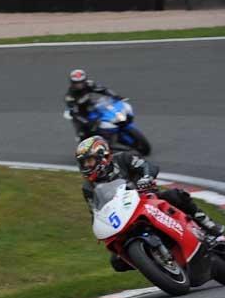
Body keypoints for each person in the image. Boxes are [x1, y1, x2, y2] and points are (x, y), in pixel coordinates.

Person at [75, 136, 224, 271]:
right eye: (83, 163)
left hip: (145, 198)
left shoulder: (122, 159)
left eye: (89, 160)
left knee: (175, 195)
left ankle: (211, 227)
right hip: (122, 216)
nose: (87, 166)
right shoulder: (88, 187)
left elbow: (148, 166)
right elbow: (95, 210)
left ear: (103, 155)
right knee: (117, 262)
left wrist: (146, 178)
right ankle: (154, 263)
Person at [64, 69, 123, 140]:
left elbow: (103, 90)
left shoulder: (89, 84)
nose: (80, 85)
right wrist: (87, 122)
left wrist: (116, 96)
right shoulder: (70, 96)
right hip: (80, 115)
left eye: (81, 82)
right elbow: (74, 113)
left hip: (91, 108)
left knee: (108, 117)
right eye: (77, 83)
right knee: (83, 135)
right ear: (72, 83)